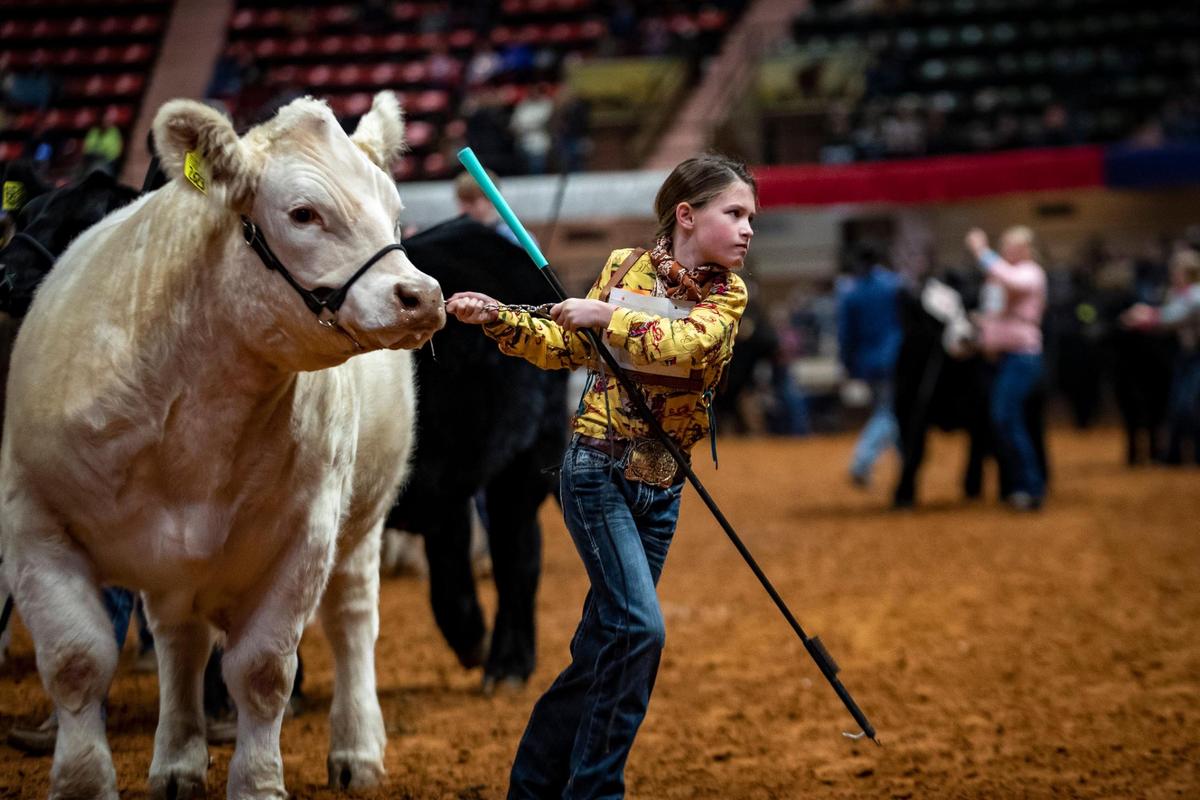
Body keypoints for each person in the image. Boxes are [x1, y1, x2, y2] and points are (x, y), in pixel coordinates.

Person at [445, 154, 755, 798]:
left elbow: (690, 347)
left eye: (750, 216)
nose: (749, 228)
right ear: (687, 217)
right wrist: (500, 317)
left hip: (664, 485)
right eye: (736, 214)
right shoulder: (624, 268)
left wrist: (605, 317)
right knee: (639, 630)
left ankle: (532, 787)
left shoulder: (728, 293)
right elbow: (569, 347)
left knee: (604, 648)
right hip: (597, 471)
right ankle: (595, 790)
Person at [965, 225, 1048, 511]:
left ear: (1026, 249)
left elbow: (1010, 281)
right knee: (1005, 420)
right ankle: (1020, 486)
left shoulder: (1030, 272)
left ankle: (1031, 486)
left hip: (1022, 358)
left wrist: (980, 251)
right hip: (1005, 359)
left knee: (1007, 418)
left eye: (1012, 247)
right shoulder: (1004, 276)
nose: (1007, 252)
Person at [1123, 247, 1200, 464]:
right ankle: (1175, 455)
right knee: (1179, 406)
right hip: (1187, 355)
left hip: (1196, 356)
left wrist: (1144, 316)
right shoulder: (1179, 293)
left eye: (1177, 271)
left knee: (1187, 406)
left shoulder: (1196, 294)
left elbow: (1172, 317)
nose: (1173, 275)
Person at [836, 241, 903, 486]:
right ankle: (862, 462)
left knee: (887, 411)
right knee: (890, 413)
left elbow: (846, 334)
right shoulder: (894, 285)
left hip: (868, 361)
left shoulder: (852, 292)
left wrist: (846, 363)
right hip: (896, 357)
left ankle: (905, 465)